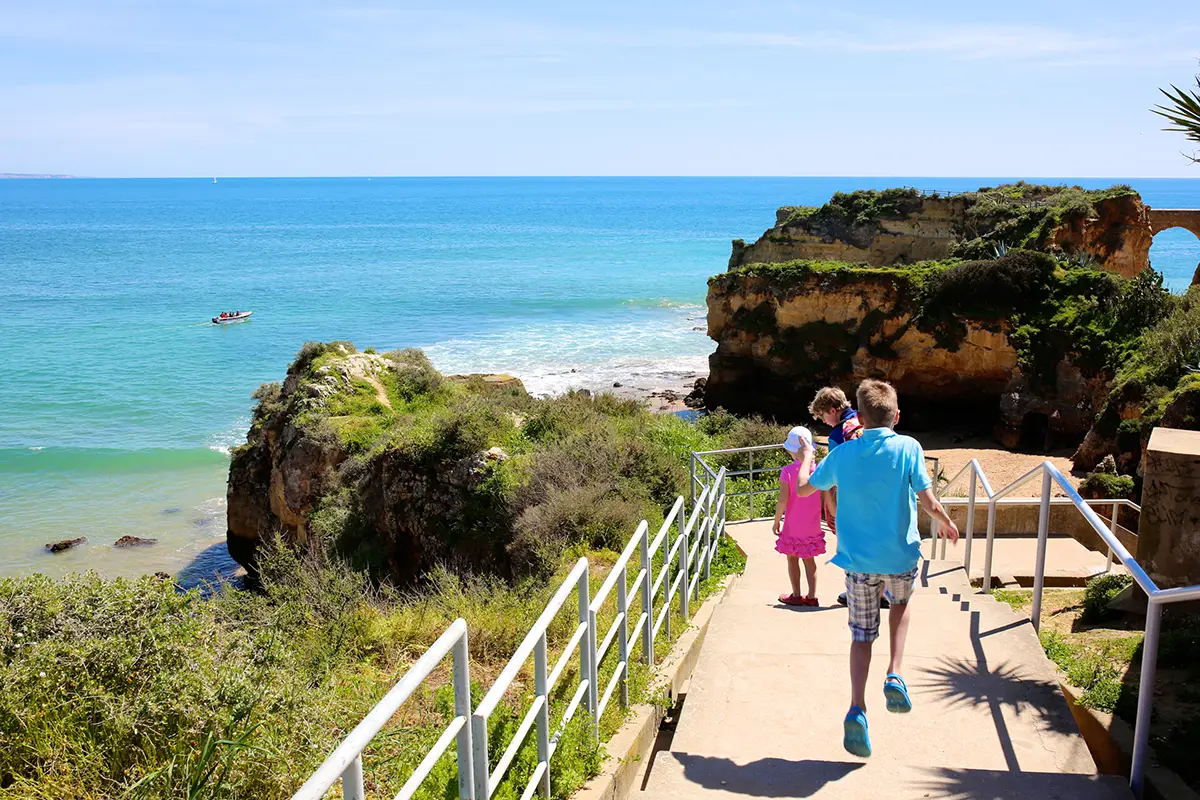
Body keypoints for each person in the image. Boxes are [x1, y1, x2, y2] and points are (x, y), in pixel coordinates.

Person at [792, 379, 959, 758]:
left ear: (859, 418)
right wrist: (946, 522)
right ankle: (895, 673)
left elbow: (805, 489)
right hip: (900, 557)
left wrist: (806, 457)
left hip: (857, 562)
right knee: (901, 606)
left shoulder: (843, 454)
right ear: (896, 416)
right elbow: (928, 500)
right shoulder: (909, 448)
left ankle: (857, 708)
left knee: (861, 635)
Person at [808, 386, 869, 608]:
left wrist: (829, 502)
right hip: (879, 492)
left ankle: (854, 593)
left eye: (823, 415)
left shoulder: (837, 435)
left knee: (850, 545)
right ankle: (881, 593)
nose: (823, 421)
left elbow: (834, 474)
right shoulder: (867, 420)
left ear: (833, 410)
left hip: (851, 498)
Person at [771, 426, 826, 606]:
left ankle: (796, 595)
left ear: (792, 450)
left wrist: (777, 519)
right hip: (812, 523)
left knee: (792, 558)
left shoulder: (787, 471)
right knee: (810, 560)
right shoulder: (817, 469)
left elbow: (782, 500)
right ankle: (812, 597)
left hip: (793, 524)